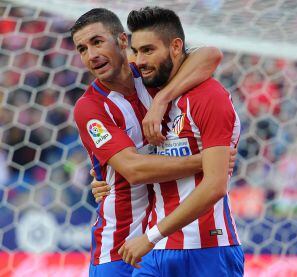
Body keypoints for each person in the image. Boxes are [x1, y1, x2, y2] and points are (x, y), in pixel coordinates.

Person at [70, 8, 227, 277]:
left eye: (97, 42)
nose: (91, 55)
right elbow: (134, 170)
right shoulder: (90, 107)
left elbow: (210, 55)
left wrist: (162, 99)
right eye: (82, 49)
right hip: (118, 250)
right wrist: (208, 162)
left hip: (162, 242)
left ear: (122, 41)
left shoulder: (151, 75)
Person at [115, 7, 244, 277]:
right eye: (136, 51)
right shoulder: (146, 94)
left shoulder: (210, 96)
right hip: (154, 252)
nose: (139, 60)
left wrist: (150, 236)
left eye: (148, 50)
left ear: (176, 47)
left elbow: (215, 186)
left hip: (208, 248)